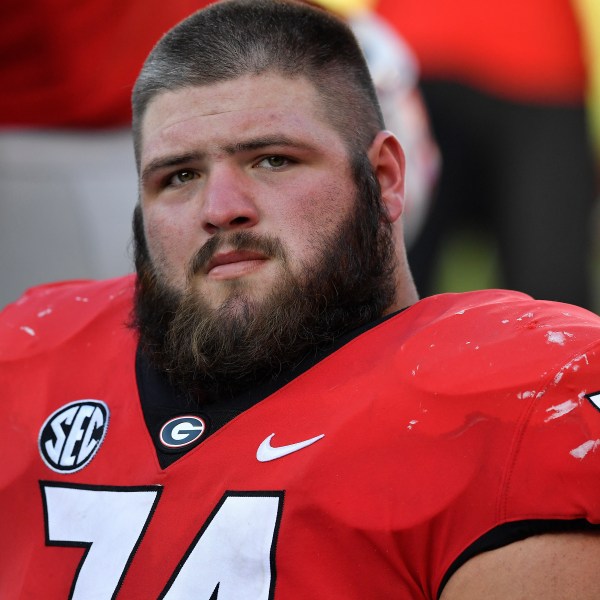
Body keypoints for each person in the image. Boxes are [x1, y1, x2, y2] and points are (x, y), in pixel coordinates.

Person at [1, 1, 599, 598]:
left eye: (272, 160)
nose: (220, 208)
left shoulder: (521, 400)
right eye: (179, 176)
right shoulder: (31, 357)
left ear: (387, 177)